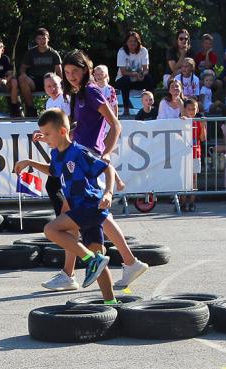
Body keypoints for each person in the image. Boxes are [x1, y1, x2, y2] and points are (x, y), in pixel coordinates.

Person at [40, 50, 148, 292]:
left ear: (85, 69)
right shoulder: (77, 94)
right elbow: (83, 125)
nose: (71, 77)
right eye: (67, 73)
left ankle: (75, 273)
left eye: (75, 72)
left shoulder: (90, 91)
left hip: (87, 160)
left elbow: (115, 124)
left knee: (82, 215)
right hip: (78, 157)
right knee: (90, 215)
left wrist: (106, 153)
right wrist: (54, 136)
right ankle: (126, 262)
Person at [14, 109, 115, 300]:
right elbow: (53, 171)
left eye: (47, 134)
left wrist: (108, 192)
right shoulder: (56, 154)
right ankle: (111, 302)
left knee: (51, 229)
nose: (44, 138)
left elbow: (107, 167)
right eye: (42, 134)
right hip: (81, 210)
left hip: (89, 206)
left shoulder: (79, 152)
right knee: (100, 263)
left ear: (62, 132)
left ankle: (89, 260)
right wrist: (29, 162)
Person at [19, 28, 62, 117]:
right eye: (39, 39)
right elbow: (22, 69)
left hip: (49, 81)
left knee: (58, 82)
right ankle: (31, 109)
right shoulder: (31, 53)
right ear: (36, 40)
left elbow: (59, 71)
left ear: (48, 39)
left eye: (44, 38)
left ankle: (57, 107)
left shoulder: (54, 53)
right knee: (22, 79)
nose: (42, 41)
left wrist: (62, 85)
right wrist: (23, 75)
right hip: (34, 80)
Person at [115, 30, 155, 115]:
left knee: (149, 79)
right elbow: (123, 72)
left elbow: (146, 69)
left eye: (135, 41)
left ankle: (151, 107)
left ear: (138, 42)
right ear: (126, 42)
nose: (133, 43)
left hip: (138, 79)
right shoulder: (122, 51)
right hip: (123, 79)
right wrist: (136, 74)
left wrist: (142, 75)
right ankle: (126, 109)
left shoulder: (143, 51)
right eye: (130, 41)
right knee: (125, 80)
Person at [180, 98, 205, 212]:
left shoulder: (199, 121)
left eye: (193, 109)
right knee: (184, 179)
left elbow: (203, 138)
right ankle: (183, 202)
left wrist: (203, 126)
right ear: (185, 110)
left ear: (197, 109)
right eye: (189, 109)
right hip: (183, 154)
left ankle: (192, 202)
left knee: (194, 179)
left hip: (196, 153)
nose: (191, 111)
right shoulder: (181, 121)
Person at [93, 64, 118, 135]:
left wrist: (116, 120)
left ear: (106, 75)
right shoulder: (92, 88)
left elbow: (115, 105)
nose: (98, 76)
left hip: (108, 119)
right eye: (96, 74)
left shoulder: (110, 89)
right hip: (95, 119)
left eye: (101, 74)